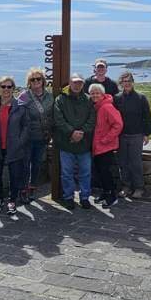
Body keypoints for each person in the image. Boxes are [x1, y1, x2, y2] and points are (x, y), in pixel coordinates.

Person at [53, 73, 96, 209]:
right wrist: (71, 132)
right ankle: (68, 197)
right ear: (69, 84)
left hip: (84, 144)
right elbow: (58, 119)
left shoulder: (89, 100)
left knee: (85, 173)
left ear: (83, 84)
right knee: (67, 173)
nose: (77, 85)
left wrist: (81, 132)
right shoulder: (61, 99)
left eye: (80, 83)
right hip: (66, 144)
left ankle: (84, 197)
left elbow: (92, 119)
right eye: (74, 82)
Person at [0, 76, 29, 215]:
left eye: (9, 87)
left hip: (14, 147)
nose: (6, 89)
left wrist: (20, 142)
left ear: (13, 89)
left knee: (15, 176)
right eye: (3, 86)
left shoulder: (20, 106)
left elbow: (26, 127)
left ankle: (12, 201)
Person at [114, 72, 151, 199]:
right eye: (124, 81)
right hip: (121, 136)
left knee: (136, 163)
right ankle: (126, 187)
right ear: (121, 83)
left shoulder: (141, 98)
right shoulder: (117, 98)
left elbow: (147, 117)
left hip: (136, 135)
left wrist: (146, 134)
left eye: (129, 80)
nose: (127, 83)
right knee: (123, 163)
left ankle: (139, 187)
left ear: (133, 82)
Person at [20, 68, 54, 202]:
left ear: (43, 81)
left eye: (38, 79)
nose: (36, 81)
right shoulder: (24, 96)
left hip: (42, 137)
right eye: (32, 79)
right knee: (25, 164)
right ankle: (23, 190)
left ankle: (32, 189)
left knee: (36, 164)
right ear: (29, 82)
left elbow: (52, 116)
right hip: (27, 137)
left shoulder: (50, 96)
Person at [91, 83, 124, 208]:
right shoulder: (97, 107)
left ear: (102, 94)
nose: (95, 95)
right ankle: (105, 193)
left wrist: (106, 139)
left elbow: (118, 124)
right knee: (100, 172)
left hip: (105, 146)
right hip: (98, 146)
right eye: (93, 93)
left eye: (97, 93)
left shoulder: (106, 107)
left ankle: (112, 197)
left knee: (106, 172)